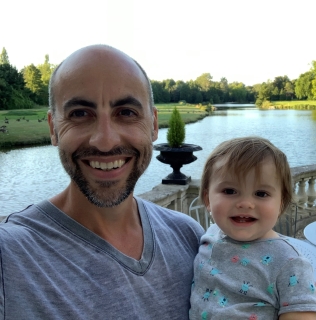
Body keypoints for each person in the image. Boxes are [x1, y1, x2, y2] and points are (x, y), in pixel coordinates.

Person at [0, 45, 204, 319]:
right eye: (80, 114)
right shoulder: (11, 256)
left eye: (127, 113)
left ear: (154, 125)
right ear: (53, 128)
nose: (105, 141)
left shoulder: (189, 238)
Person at [189, 136, 316, 320]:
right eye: (229, 191)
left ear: (281, 204)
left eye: (261, 193)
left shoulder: (290, 263)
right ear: (207, 200)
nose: (245, 203)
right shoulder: (209, 235)